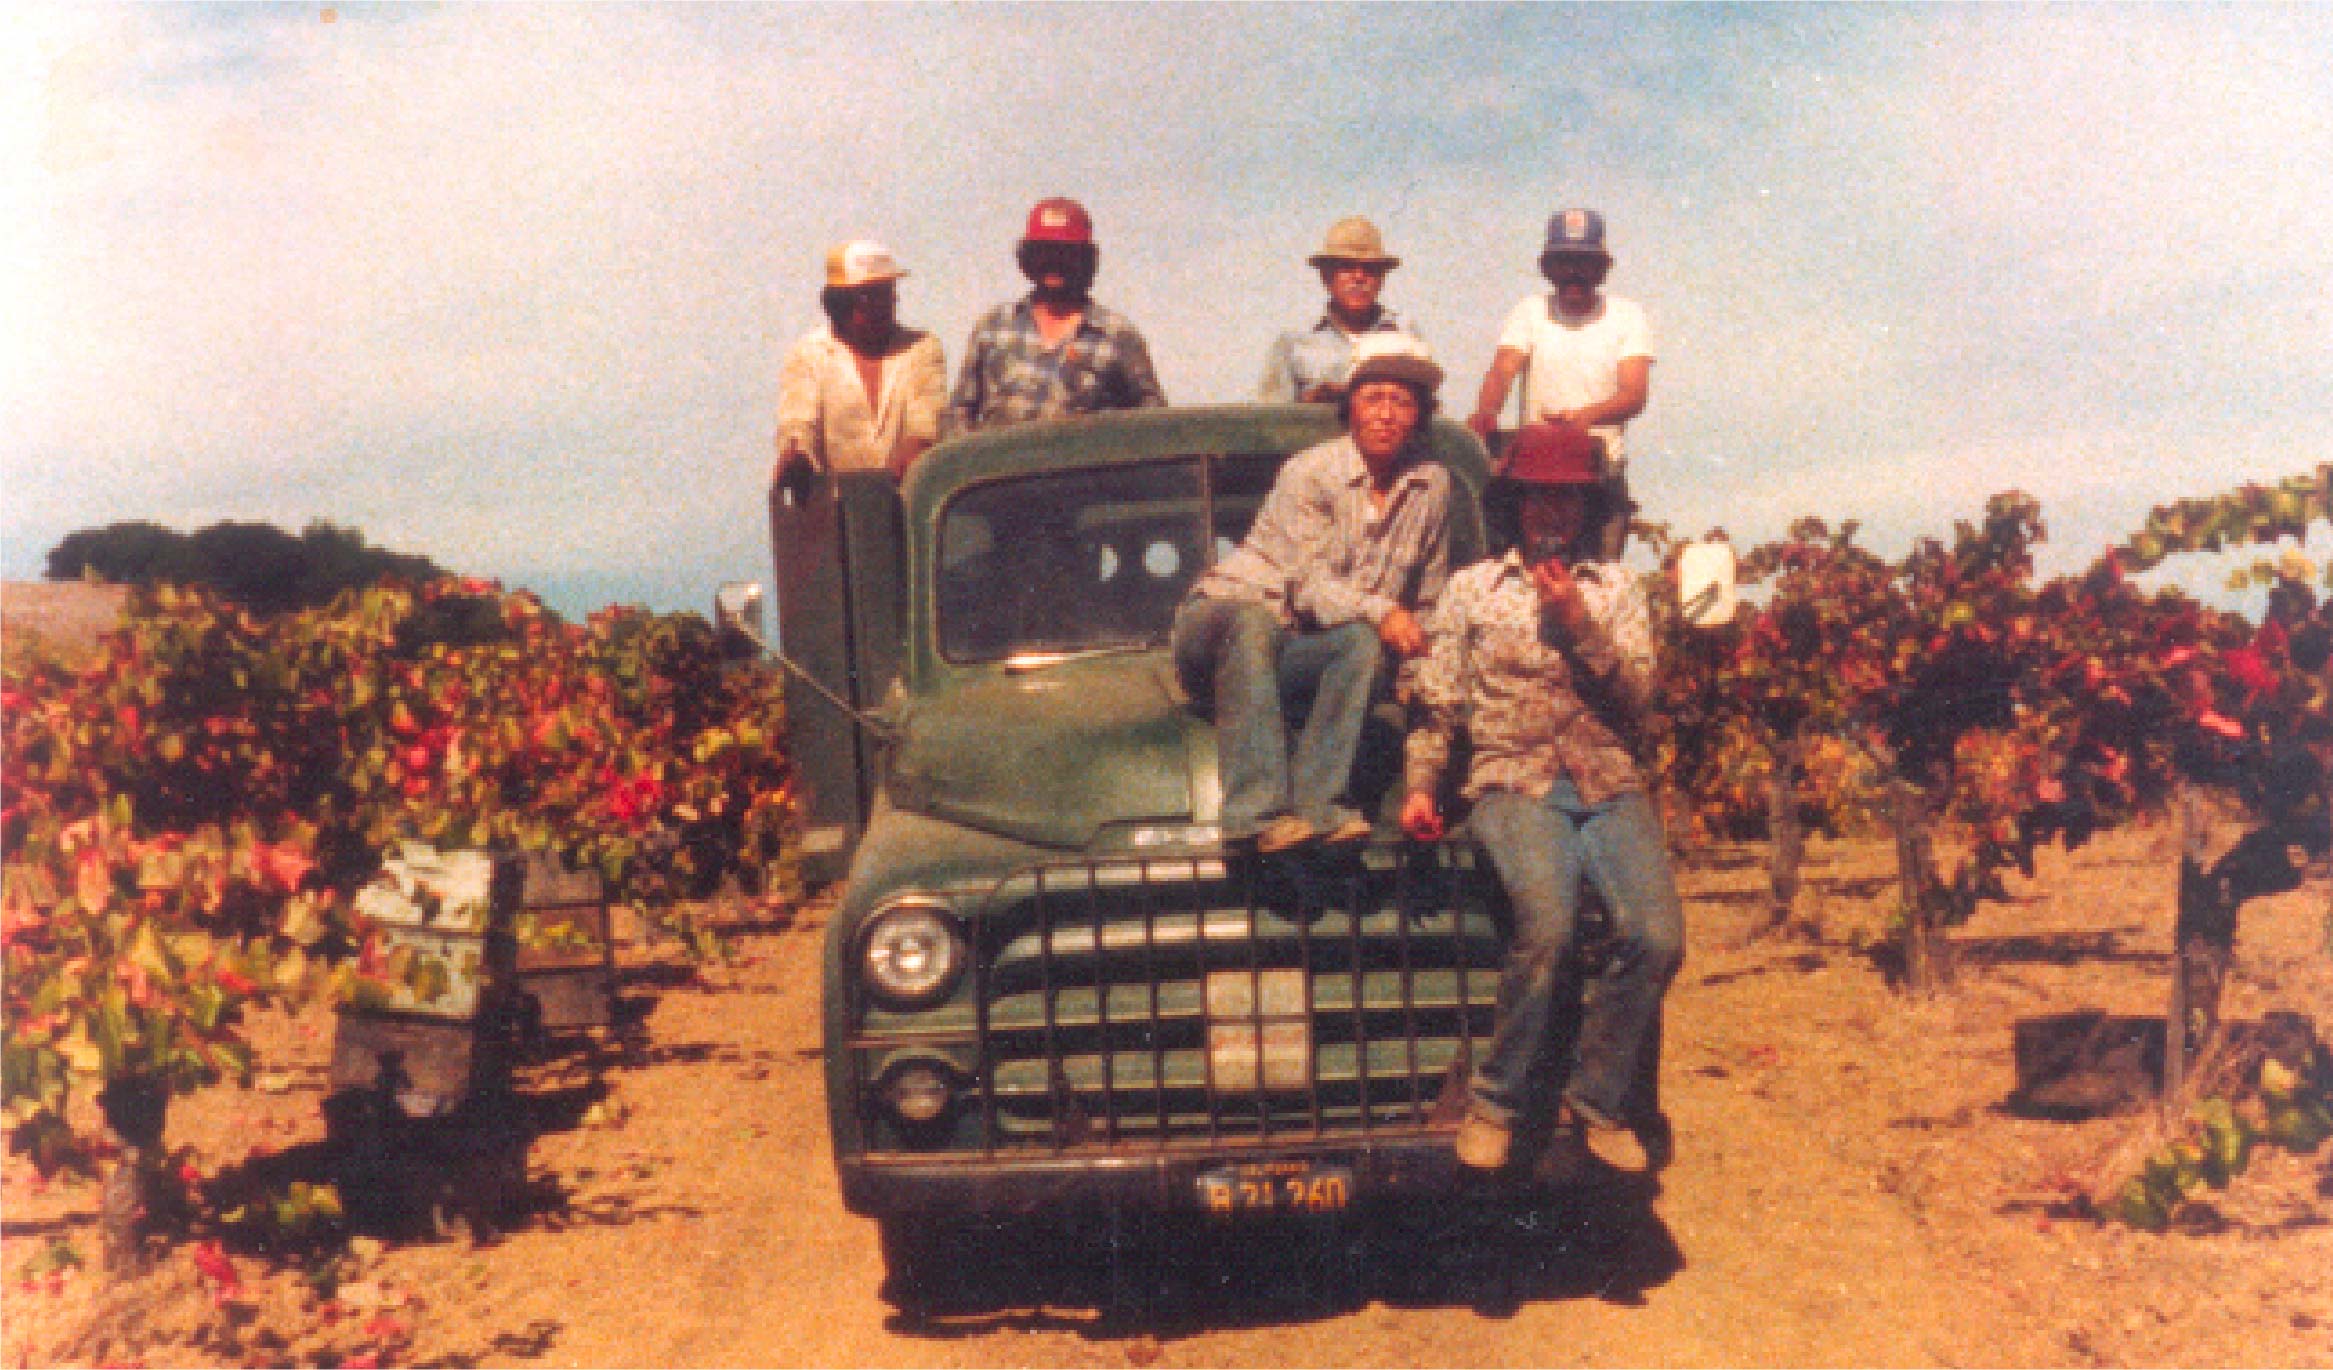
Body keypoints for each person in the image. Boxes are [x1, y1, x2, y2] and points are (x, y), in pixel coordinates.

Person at [1400, 420, 1683, 1175]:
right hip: (1511, 780)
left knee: (1656, 937)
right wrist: (1422, 787)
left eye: (1566, 501)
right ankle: (1495, 1102)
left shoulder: (1617, 588)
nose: (1551, 515)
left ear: (1587, 509)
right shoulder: (1472, 590)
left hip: (1605, 780)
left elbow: (1639, 705)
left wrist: (1579, 626)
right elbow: (1439, 703)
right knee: (1548, 931)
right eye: (1537, 501)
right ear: (1514, 507)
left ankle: (1598, 1102)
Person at [1173, 333, 1453, 853]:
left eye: (1402, 401)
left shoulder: (1432, 484)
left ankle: (1321, 809)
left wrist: (1420, 670)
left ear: (1419, 415)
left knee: (1361, 644)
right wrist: (1384, 611)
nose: (1386, 414)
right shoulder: (1311, 472)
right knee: (1253, 621)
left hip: (1289, 649)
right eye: (1373, 399)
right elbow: (1308, 587)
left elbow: (1430, 597)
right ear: (1350, 408)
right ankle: (1253, 814)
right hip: (1218, 629)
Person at [1465, 209, 1653, 560]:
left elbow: (1634, 393)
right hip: (1536, 470)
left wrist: (1584, 419)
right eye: (1564, 262)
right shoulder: (1530, 311)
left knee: (1601, 576)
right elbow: (1503, 368)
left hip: (1599, 465)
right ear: (1548, 269)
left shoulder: (1627, 315)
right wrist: (1487, 411)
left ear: (1601, 269)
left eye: (1584, 263)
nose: (1574, 273)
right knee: (1514, 568)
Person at [947, 197, 1167, 434]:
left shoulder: (1116, 335)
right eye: (1044, 253)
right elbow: (958, 413)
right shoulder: (994, 327)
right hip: (1004, 469)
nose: (1054, 264)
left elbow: (1153, 421)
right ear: (1027, 259)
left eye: (1066, 254)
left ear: (1085, 261)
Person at [773, 241, 948, 493]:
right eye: (870, 296)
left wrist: (916, 448)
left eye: (886, 292)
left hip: (909, 505)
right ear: (840, 304)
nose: (884, 305)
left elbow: (927, 420)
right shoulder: (808, 355)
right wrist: (796, 456)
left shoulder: (921, 348)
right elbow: (798, 424)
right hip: (836, 513)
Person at [1256, 216, 1423, 404]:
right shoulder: (1293, 341)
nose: (1359, 277)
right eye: (1347, 267)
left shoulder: (1404, 334)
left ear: (1382, 278)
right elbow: (1272, 419)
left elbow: (1428, 409)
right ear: (1326, 276)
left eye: (1369, 269)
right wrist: (1310, 404)